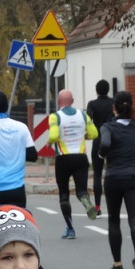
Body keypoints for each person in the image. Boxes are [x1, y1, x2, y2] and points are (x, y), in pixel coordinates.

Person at [98, 91, 135, 269]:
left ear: (114, 107)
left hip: (114, 178)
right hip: (134, 177)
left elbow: (105, 144)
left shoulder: (107, 127)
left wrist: (103, 154)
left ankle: (117, 264)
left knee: (114, 220)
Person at [48, 89, 99, 239]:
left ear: (59, 102)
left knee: (64, 194)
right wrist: (85, 136)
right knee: (81, 190)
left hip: (63, 158)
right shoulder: (83, 115)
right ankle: (86, 200)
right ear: (73, 100)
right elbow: (94, 134)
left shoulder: (55, 117)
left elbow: (54, 135)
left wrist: (49, 142)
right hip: (80, 158)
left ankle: (70, 229)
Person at [85, 79, 114, 215]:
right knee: (111, 172)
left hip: (97, 140)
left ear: (97, 91)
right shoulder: (113, 103)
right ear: (108, 90)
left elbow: (88, 119)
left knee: (97, 174)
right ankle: (112, 205)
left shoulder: (92, 104)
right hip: (112, 139)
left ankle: (97, 207)